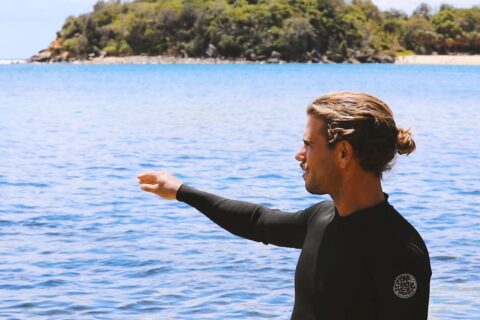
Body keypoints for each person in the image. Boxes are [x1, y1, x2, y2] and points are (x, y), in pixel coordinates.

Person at [137, 92, 432, 320]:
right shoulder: (323, 218)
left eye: (309, 144)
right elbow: (258, 221)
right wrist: (181, 191)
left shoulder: (400, 251)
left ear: (343, 153)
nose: (298, 155)